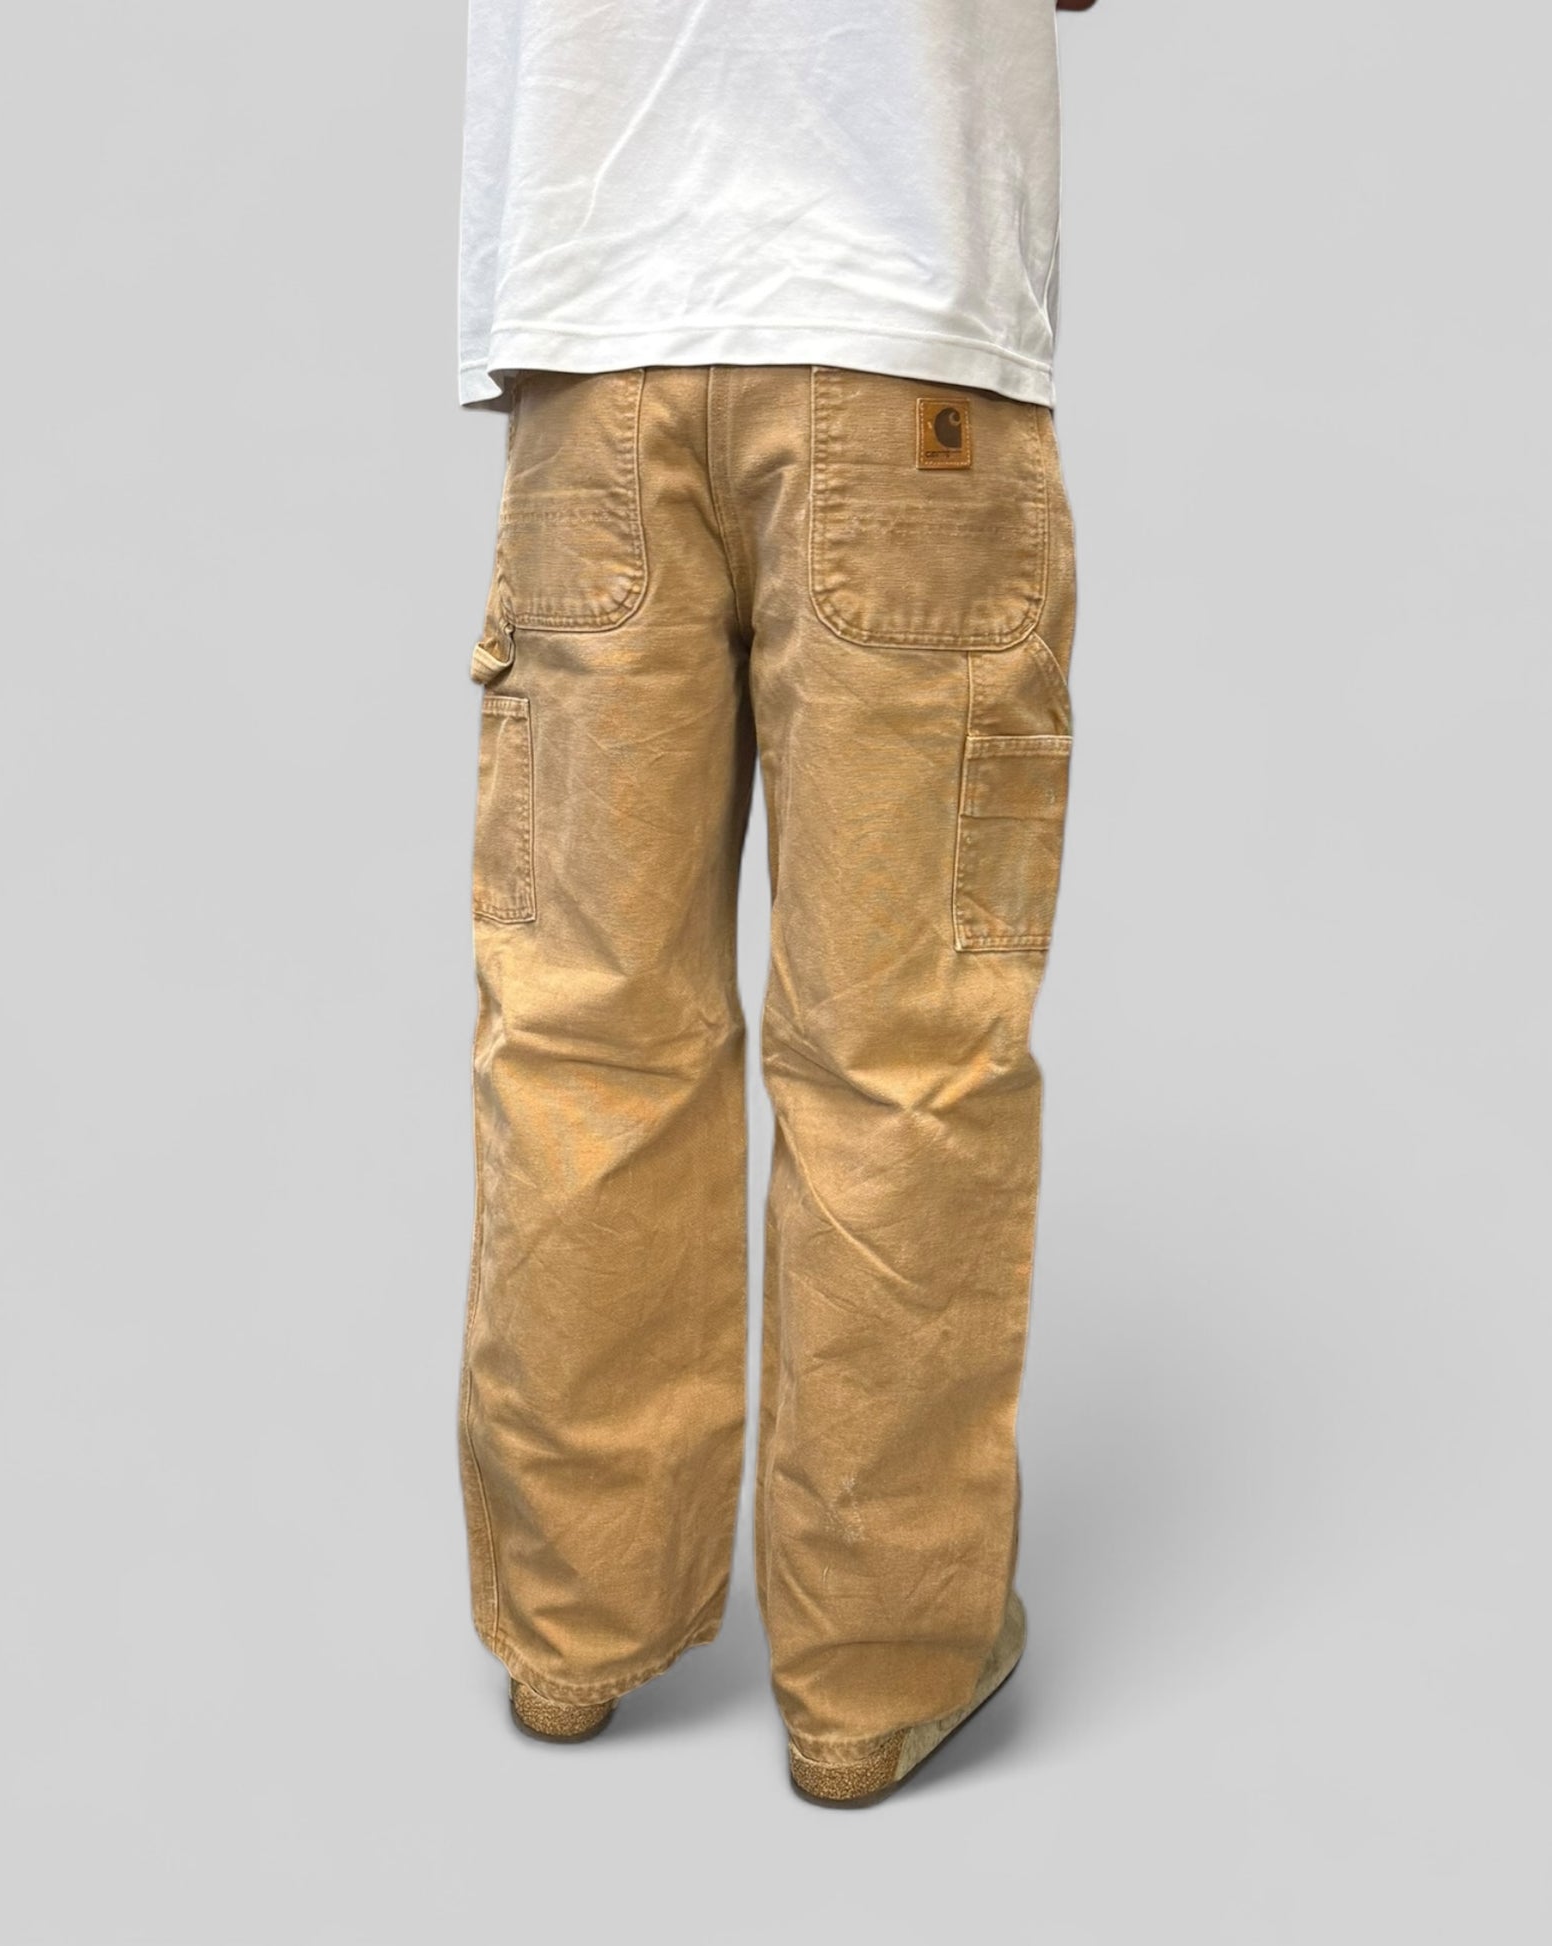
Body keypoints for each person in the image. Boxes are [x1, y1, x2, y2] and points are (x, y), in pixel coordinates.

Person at [454, 0, 1096, 1808]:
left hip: (597, 328)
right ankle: (870, 1682)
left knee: (585, 1034)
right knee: (900, 1061)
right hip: (901, 336)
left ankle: (572, 1629)